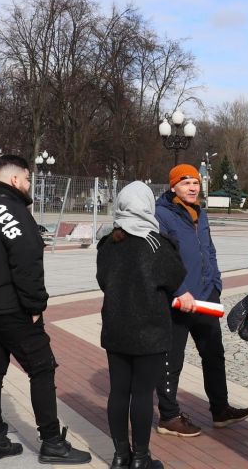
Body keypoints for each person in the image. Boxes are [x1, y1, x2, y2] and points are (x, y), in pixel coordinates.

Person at [0, 155, 91, 464]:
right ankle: (51, 442)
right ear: (15, 180)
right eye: (28, 179)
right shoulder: (16, 212)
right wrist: (34, 305)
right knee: (41, 368)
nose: (30, 184)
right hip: (13, 308)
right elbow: (28, 261)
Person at [154, 164, 248, 437]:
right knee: (171, 358)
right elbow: (163, 258)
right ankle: (169, 416)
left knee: (214, 354)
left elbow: (208, 250)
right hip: (178, 300)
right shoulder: (162, 214)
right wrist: (179, 290)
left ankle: (220, 410)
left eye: (195, 183)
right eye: (186, 183)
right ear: (173, 186)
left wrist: (216, 284)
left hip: (206, 296)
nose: (192, 187)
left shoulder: (202, 213)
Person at [97, 182, 187, 469]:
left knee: (118, 391)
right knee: (142, 394)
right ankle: (141, 457)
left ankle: (120, 455)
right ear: (148, 206)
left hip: (115, 327)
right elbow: (175, 278)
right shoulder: (156, 243)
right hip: (150, 329)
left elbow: (103, 280)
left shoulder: (109, 242)